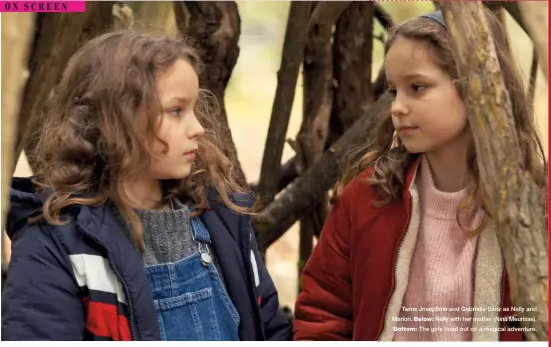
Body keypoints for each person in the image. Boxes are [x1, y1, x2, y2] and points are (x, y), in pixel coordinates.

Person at [2, 29, 291, 341]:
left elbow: (270, 329)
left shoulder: (222, 217)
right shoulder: (56, 243)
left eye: (193, 109)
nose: (197, 128)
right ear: (117, 120)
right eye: (176, 111)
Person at [293, 9, 546, 342]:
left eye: (417, 87)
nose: (397, 107)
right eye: (393, 91)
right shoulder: (367, 198)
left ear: (477, 87)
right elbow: (323, 311)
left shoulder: (540, 206)